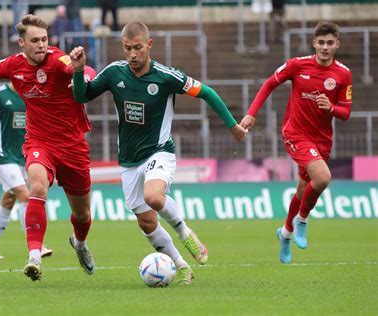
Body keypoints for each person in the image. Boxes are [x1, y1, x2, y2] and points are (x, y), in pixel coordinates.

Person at [70, 22, 247, 285]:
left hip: (159, 152)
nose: (132, 54)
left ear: (149, 45)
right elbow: (83, 97)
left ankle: (186, 234)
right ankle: (181, 265)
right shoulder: (114, 73)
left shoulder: (166, 76)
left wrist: (232, 125)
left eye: (138, 48)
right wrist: (78, 70)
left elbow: (206, 92)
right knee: (146, 223)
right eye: (127, 48)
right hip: (129, 161)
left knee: (153, 196)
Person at [0, 14, 97, 282]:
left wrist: (82, 72)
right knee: (36, 186)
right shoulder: (14, 65)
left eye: (45, 40)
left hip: (72, 145)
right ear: (22, 43)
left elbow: (83, 70)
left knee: (82, 214)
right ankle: (34, 255)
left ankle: (80, 244)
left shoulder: (57, 59)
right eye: (35, 40)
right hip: (39, 142)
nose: (41, 45)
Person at [239, 21, 352, 264]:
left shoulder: (343, 74)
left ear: (337, 45)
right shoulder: (297, 65)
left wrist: (330, 107)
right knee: (322, 178)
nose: (324, 47)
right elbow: (270, 83)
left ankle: (286, 234)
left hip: (322, 140)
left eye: (329, 43)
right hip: (295, 133)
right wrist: (251, 113)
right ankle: (302, 220)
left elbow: (346, 112)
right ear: (314, 43)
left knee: (303, 189)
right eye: (320, 42)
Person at [0, 82, 53, 259]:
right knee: (25, 195)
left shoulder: (32, 93)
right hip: (3, 156)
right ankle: (36, 245)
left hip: (25, 155)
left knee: (8, 201)